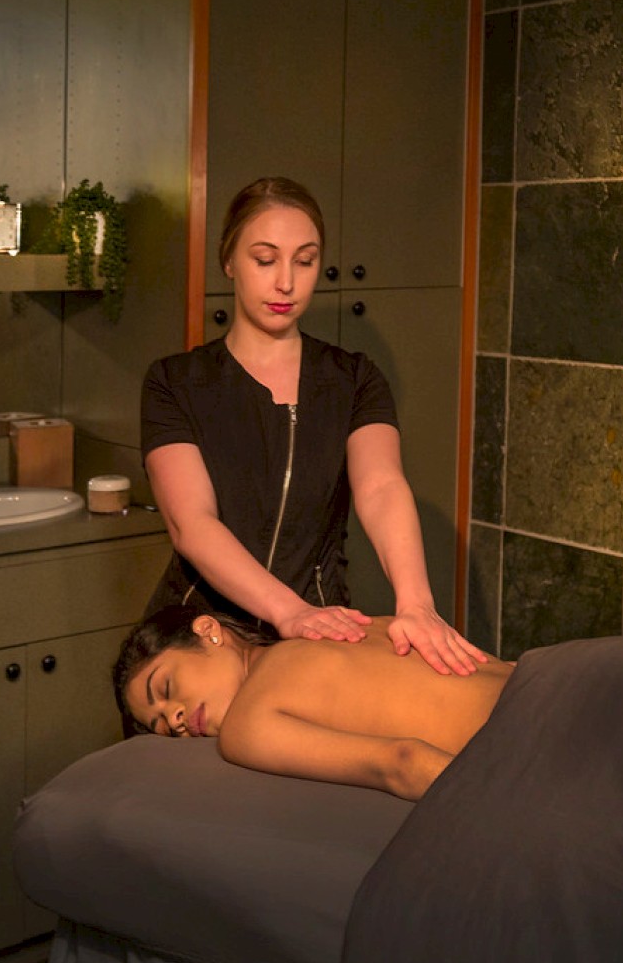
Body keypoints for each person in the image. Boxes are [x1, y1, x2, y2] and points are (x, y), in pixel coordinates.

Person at [141, 175, 485, 675]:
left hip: (320, 630)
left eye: (304, 261)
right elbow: (191, 524)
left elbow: (383, 487)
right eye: (265, 260)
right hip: (199, 638)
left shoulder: (354, 379)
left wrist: (416, 604)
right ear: (228, 260)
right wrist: (288, 612)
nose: (286, 282)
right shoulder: (175, 382)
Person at [114, 602, 513, 800]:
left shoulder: (245, 727)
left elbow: (404, 763)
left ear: (208, 631)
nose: (175, 718)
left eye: (164, 689)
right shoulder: (347, 625)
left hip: (527, 743)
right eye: (161, 725)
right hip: (552, 674)